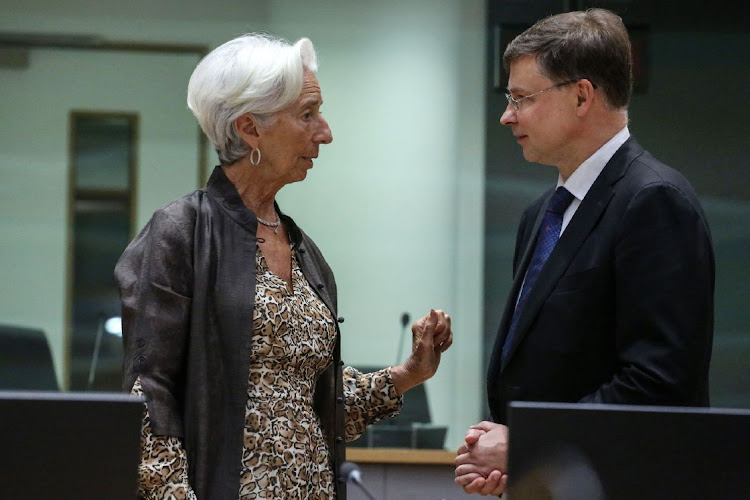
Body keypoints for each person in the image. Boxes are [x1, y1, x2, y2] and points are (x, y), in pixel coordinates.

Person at [115, 33, 453, 500]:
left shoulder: (303, 249)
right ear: (250, 128)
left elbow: (311, 406)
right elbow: (147, 401)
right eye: (308, 114)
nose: (325, 132)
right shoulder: (181, 232)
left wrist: (408, 373)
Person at [454, 8, 714, 496]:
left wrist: (525, 442)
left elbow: (658, 386)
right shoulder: (541, 214)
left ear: (580, 95)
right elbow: (542, 369)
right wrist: (500, 446)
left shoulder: (655, 201)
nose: (507, 115)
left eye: (521, 98)